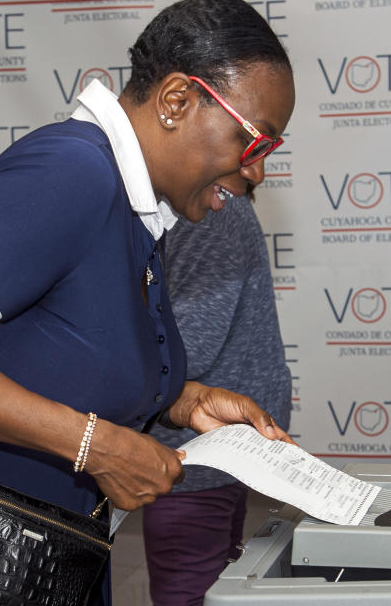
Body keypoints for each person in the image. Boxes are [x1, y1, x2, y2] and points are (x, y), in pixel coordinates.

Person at [0, 0, 295, 606]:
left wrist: (185, 402)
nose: (256, 173)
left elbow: (57, 356)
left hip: (38, 564)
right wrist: (96, 446)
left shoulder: (140, 210)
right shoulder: (69, 174)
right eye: (253, 142)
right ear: (177, 101)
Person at [143, 183, 292, 606]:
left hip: (201, 444)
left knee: (189, 588)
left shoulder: (205, 213)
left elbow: (187, 348)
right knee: (221, 579)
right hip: (225, 434)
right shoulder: (214, 207)